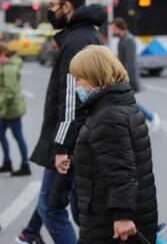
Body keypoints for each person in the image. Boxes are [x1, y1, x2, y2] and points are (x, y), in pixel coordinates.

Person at [17, 0, 105, 244]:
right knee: (78, 208)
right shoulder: (87, 34)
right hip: (81, 135)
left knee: (52, 209)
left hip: (70, 138)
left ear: (67, 6)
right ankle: (30, 234)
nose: (50, 11)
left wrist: (61, 147)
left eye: (52, 6)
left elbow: (70, 97)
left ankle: (29, 234)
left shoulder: (75, 41)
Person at [67, 45, 158, 243]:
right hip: (120, 212)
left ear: (95, 76)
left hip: (109, 219)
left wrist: (122, 215)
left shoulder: (108, 116)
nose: (76, 86)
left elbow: (121, 171)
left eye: (79, 79)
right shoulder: (123, 106)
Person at [109, 17, 160, 131]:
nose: (112, 32)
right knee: (128, 102)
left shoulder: (129, 40)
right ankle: (148, 118)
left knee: (129, 102)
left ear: (118, 27)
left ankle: (151, 117)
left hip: (128, 77)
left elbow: (130, 63)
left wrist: (124, 79)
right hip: (124, 77)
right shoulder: (123, 39)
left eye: (113, 29)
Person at [0, 42, 30, 176]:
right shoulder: (6, 66)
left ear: (2, 54)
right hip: (8, 108)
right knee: (1, 132)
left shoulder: (8, 69)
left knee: (17, 136)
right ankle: (7, 162)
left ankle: (25, 165)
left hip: (11, 108)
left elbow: (9, 91)